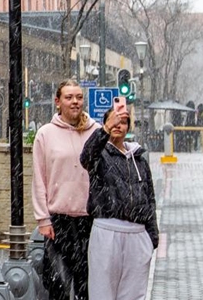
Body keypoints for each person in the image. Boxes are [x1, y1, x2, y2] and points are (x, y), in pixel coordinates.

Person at [80, 106, 159, 300]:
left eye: (123, 122)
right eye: (114, 121)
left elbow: (149, 197)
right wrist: (104, 130)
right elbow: (86, 157)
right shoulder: (100, 154)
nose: (118, 126)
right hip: (107, 230)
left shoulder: (139, 158)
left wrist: (152, 237)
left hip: (137, 234)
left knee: (133, 294)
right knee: (102, 291)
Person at [32, 79, 98, 300]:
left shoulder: (96, 132)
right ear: (57, 102)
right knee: (57, 283)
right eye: (69, 97)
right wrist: (43, 219)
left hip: (91, 220)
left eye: (79, 97)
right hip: (58, 221)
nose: (75, 102)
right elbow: (39, 179)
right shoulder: (45, 134)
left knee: (88, 284)